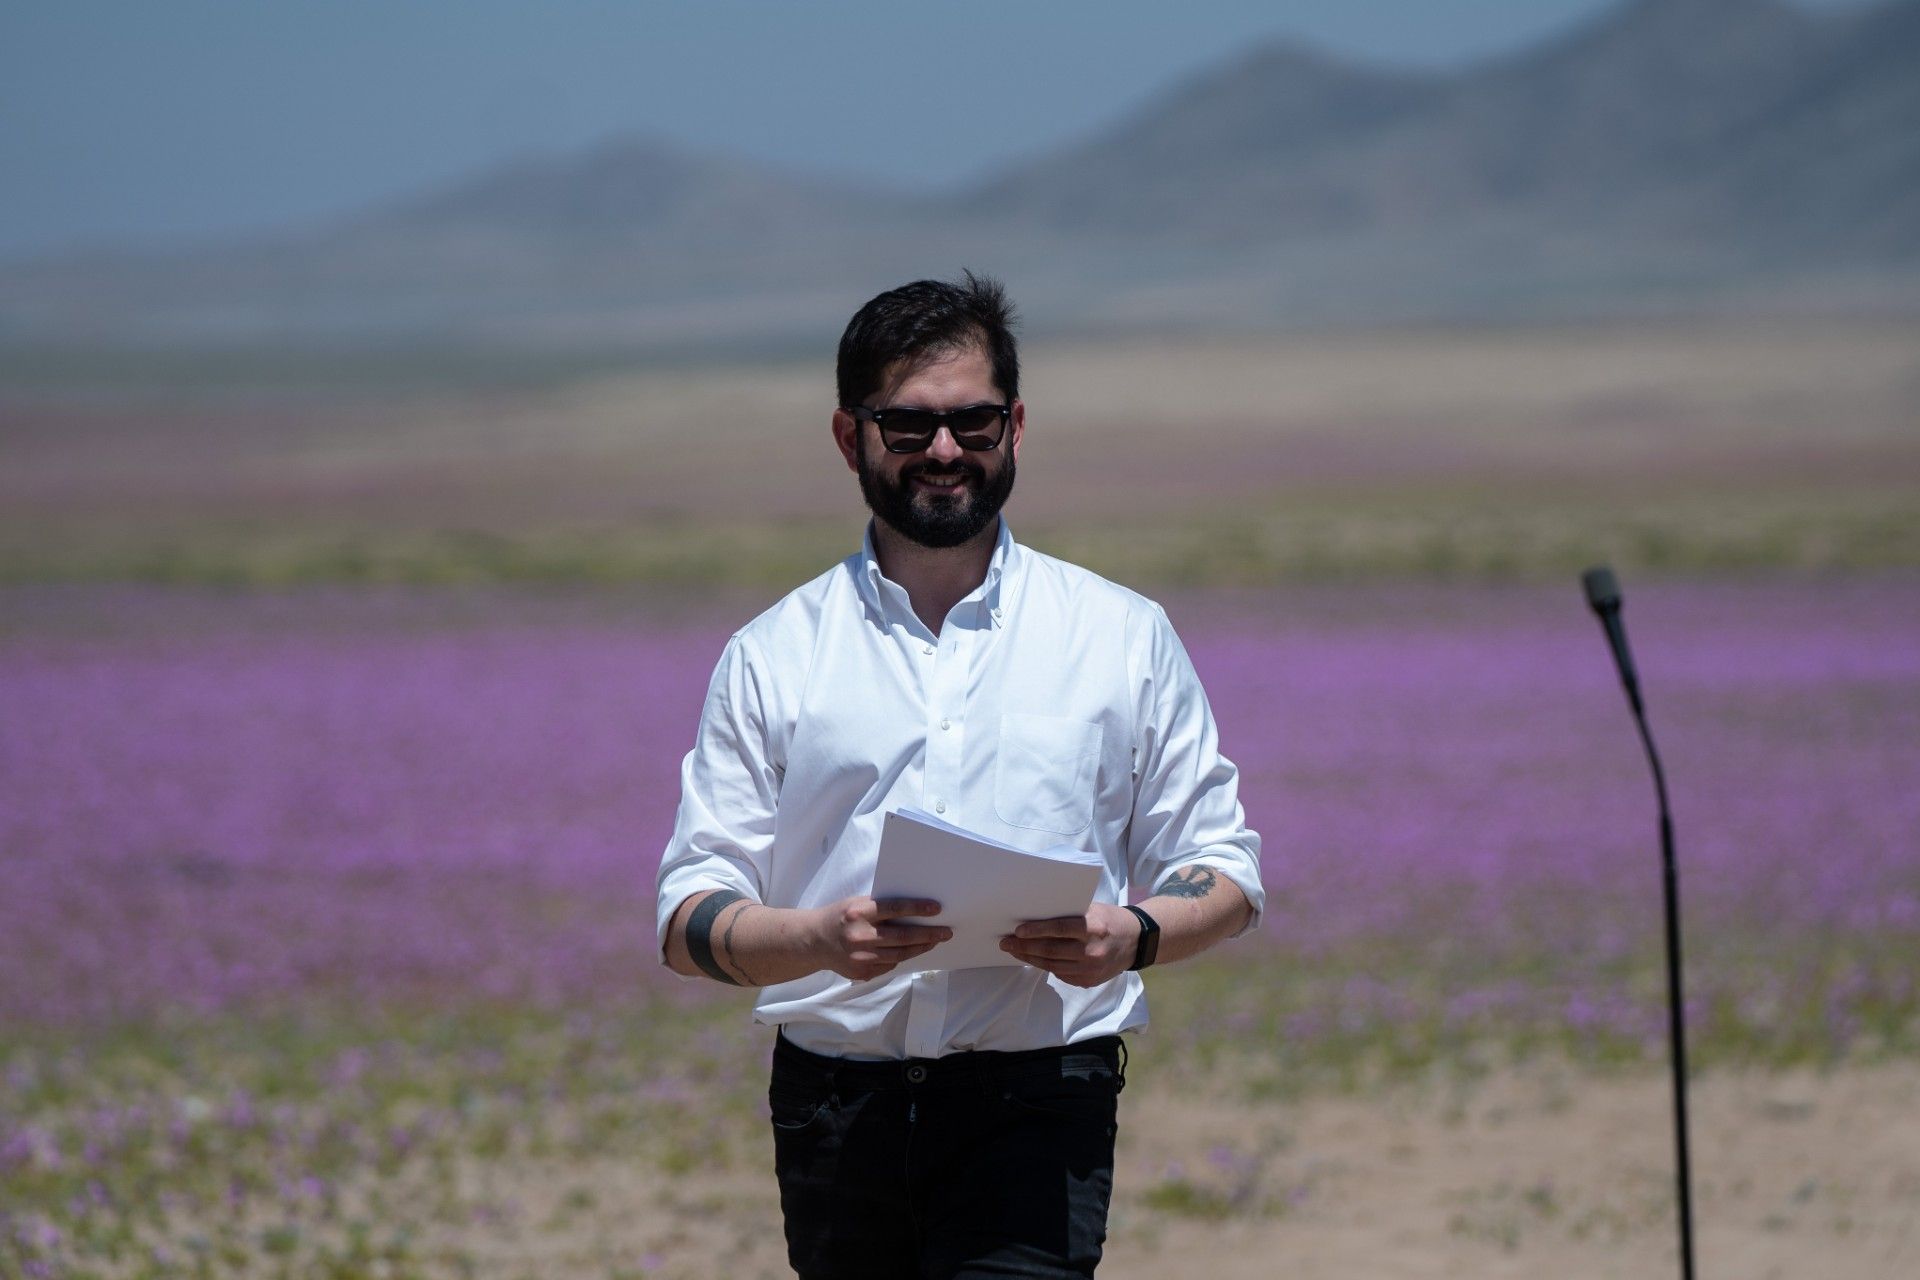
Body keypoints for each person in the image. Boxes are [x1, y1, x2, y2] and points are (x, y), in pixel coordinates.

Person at [656, 271, 1265, 1279]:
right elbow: (687, 918)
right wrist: (812, 936)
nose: (945, 450)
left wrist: (1134, 933)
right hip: (835, 1108)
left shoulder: (1119, 636)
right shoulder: (772, 654)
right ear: (852, 437)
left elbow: (1227, 870)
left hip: (1041, 1100)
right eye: (910, 425)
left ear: (1017, 426)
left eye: (973, 423)